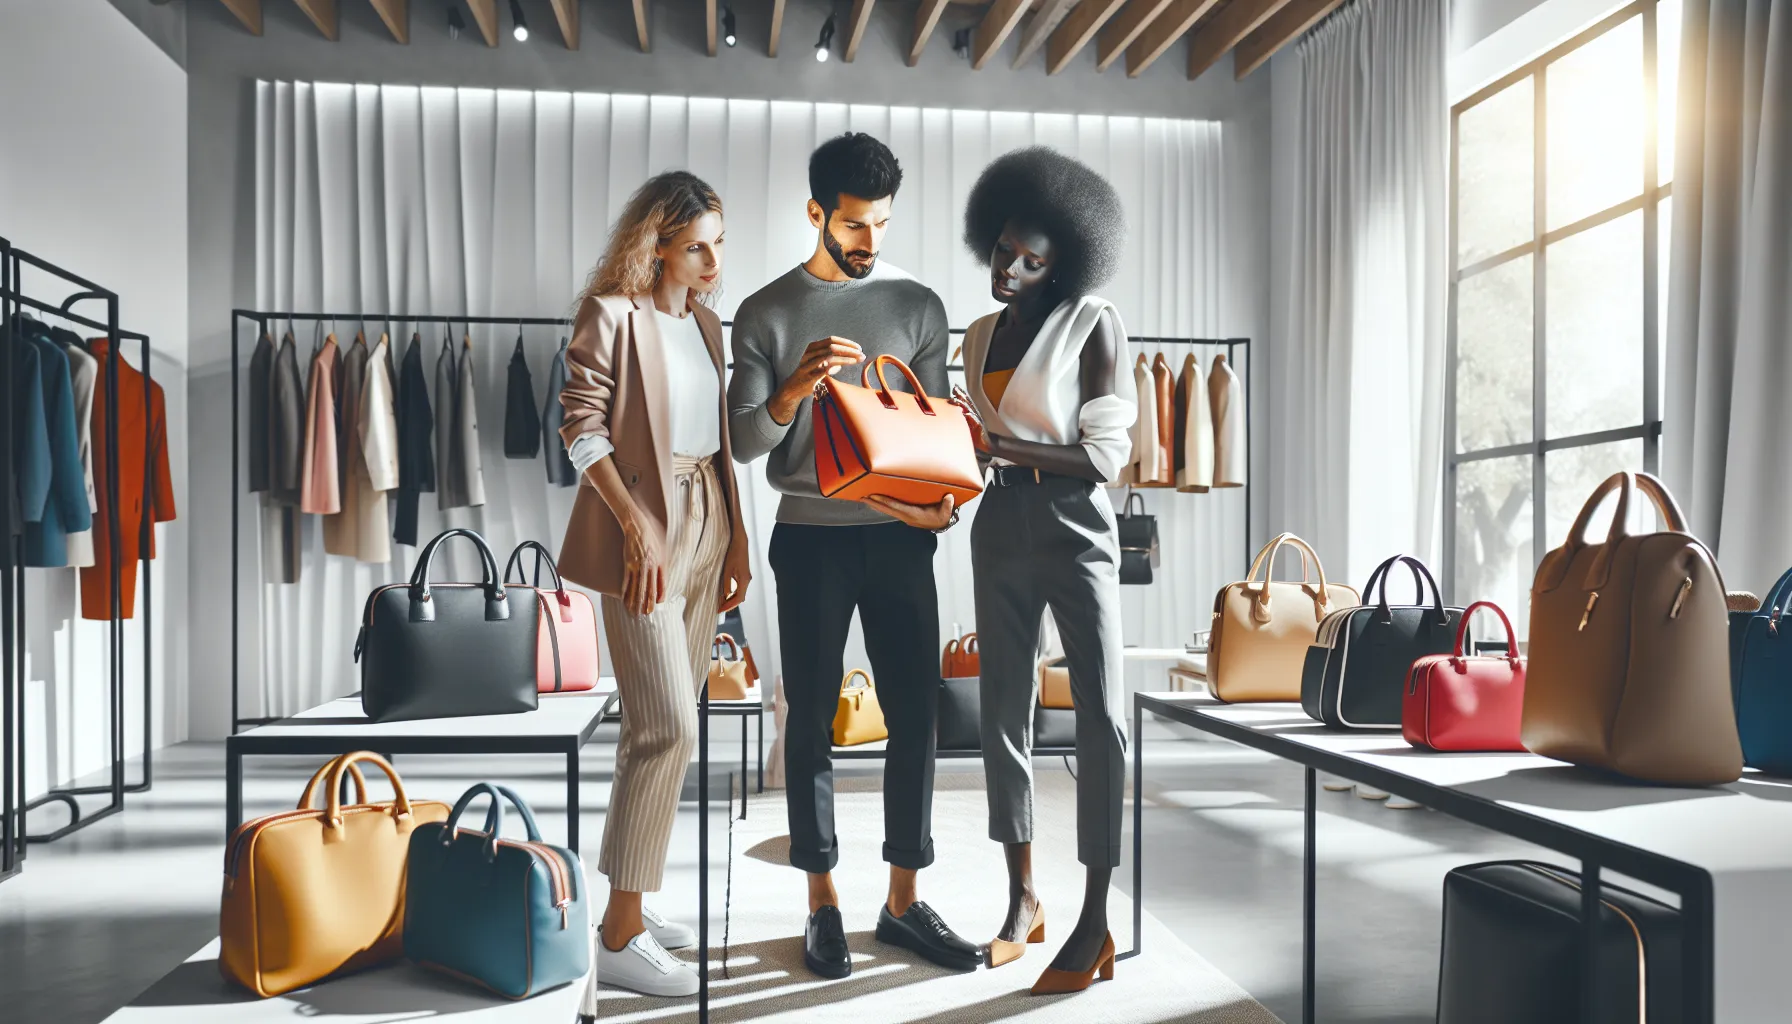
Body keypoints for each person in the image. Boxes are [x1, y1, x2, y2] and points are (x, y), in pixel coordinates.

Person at [727, 132, 980, 979]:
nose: (870, 241)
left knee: (916, 714)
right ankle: (822, 904)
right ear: (816, 213)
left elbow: (935, 436)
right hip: (809, 539)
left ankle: (903, 902)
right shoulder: (764, 312)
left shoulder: (919, 307)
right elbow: (744, 441)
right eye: (854, 225)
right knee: (810, 722)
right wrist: (795, 387)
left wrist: (940, 506)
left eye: (881, 224)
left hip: (901, 538)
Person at [557, 170, 752, 998]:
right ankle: (620, 933)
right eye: (696, 247)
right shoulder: (611, 315)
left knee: (672, 725)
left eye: (719, 244)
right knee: (666, 726)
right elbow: (579, 427)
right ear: (658, 245)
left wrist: (735, 541)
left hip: (708, 519)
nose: (712, 262)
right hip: (645, 526)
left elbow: (719, 442)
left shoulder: (707, 325)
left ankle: (629, 905)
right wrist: (636, 525)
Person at [956, 147, 1133, 993]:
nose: (1011, 270)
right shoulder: (978, 335)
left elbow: (1103, 458)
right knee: (1001, 710)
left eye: (1032, 260)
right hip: (997, 523)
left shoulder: (1092, 321)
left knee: (1099, 713)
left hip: (1074, 525)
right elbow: (979, 446)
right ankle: (1022, 897)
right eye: (1003, 252)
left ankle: (1095, 916)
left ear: (1063, 261)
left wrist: (1002, 446)